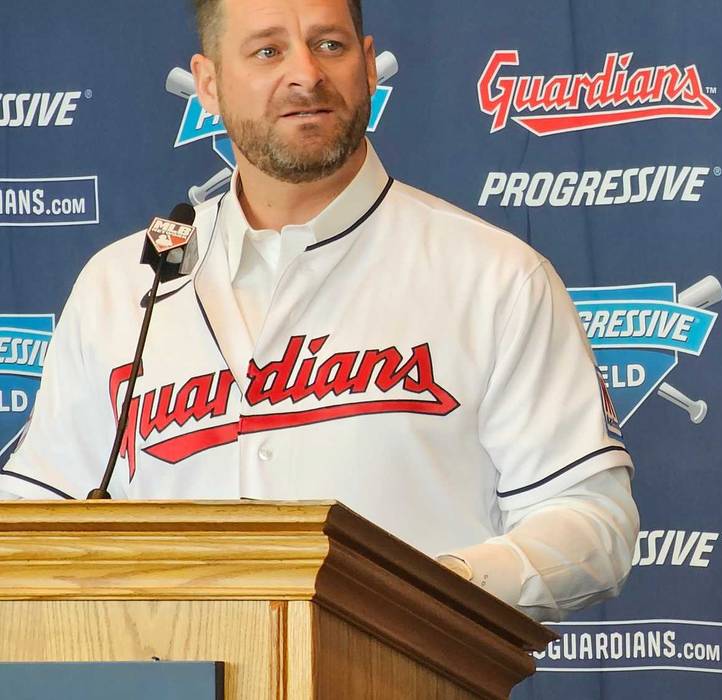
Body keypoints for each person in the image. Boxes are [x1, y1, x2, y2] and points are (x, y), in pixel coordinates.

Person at [0, 0, 638, 623]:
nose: (305, 73)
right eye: (267, 50)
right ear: (209, 85)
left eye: (329, 45)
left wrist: (427, 596)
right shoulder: (118, 285)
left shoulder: (494, 275)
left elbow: (591, 524)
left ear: (366, 65)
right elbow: (32, 518)